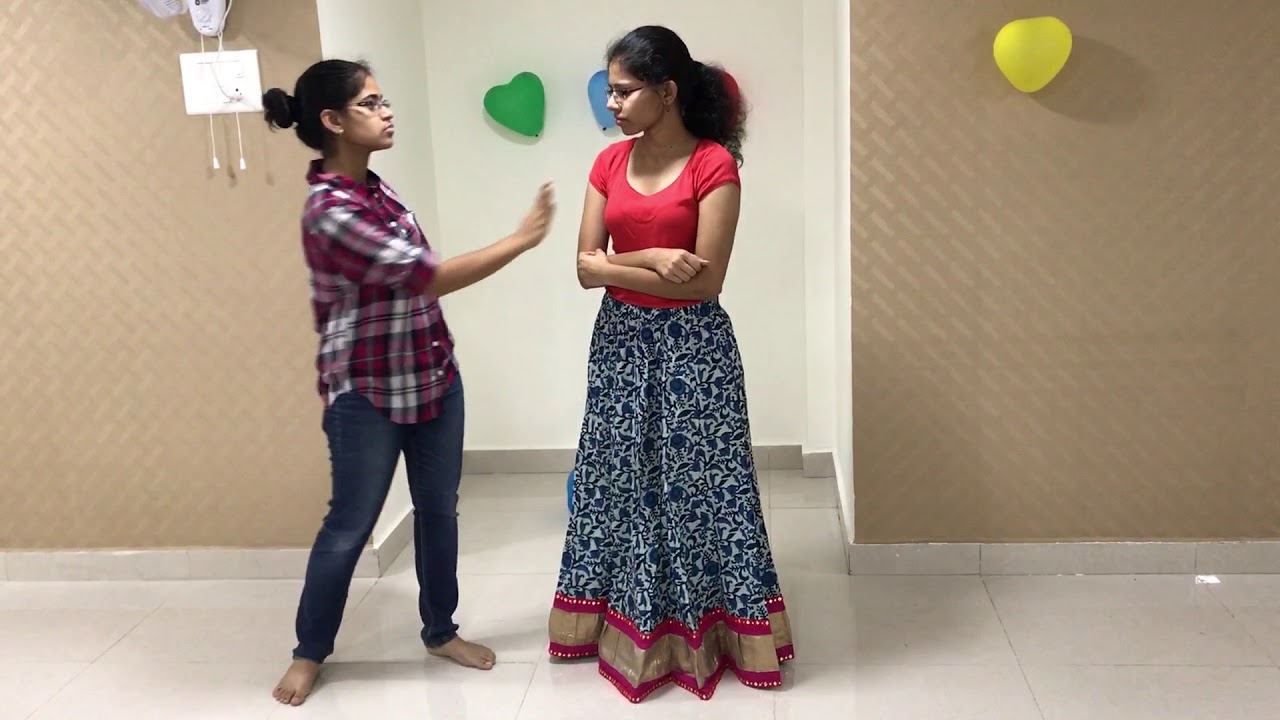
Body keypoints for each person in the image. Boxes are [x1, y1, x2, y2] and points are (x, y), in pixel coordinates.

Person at [260, 59, 555, 707]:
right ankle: (309, 651)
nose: (387, 110)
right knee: (349, 525)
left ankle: (440, 632)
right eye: (370, 103)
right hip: (366, 394)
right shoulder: (330, 210)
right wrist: (522, 239)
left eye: (383, 99)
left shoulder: (376, 188)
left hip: (433, 378)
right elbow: (427, 277)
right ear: (333, 120)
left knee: (438, 509)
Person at [549, 26, 792, 703]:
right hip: (619, 343)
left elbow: (705, 284)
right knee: (618, 479)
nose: (612, 105)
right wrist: (652, 257)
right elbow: (583, 269)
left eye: (624, 92)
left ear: (667, 91)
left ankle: (712, 631)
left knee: (700, 489)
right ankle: (621, 622)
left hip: (694, 349)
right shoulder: (607, 164)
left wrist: (614, 266)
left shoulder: (713, 165)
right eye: (610, 92)